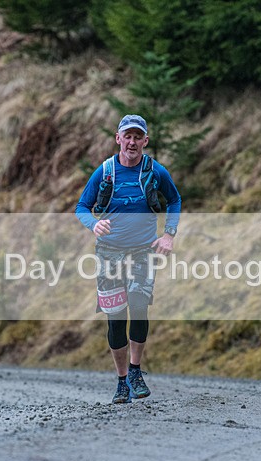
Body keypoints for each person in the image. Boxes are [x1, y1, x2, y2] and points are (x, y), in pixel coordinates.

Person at [75, 114, 181, 404]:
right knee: (115, 318)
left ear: (145, 141)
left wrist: (169, 234)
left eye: (138, 137)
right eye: (128, 136)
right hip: (108, 252)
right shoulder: (106, 171)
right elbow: (81, 206)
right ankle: (122, 381)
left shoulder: (154, 170)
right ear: (118, 139)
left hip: (143, 251)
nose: (132, 142)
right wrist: (94, 224)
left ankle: (135, 371)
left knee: (138, 303)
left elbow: (174, 199)